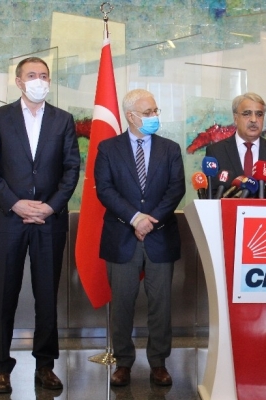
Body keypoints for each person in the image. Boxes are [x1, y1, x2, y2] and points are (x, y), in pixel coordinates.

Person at [0, 57, 81, 394]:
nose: (40, 80)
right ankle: (1, 367)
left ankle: (45, 365)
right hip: (10, 219)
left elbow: (71, 169)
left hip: (49, 221)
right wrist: (15, 203)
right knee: (4, 294)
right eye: (32, 75)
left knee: (47, 295)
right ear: (19, 82)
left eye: (45, 75)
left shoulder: (63, 120)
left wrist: (50, 207)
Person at [95, 89, 185, 387]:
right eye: (148, 113)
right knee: (122, 304)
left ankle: (158, 363)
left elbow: (176, 189)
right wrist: (135, 218)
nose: (154, 116)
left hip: (160, 236)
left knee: (161, 304)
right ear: (130, 116)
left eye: (156, 111)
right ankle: (123, 363)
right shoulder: (108, 149)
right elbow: (105, 189)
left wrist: (149, 221)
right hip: (122, 237)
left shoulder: (170, 149)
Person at [205, 92, 266, 191]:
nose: (254, 120)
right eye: (247, 114)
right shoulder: (216, 152)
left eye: (259, 114)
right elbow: (211, 193)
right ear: (235, 118)